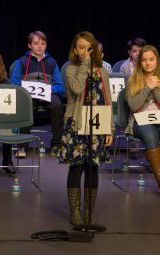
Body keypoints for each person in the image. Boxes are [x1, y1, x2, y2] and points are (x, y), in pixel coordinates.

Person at [60, 31, 113, 225]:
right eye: (80, 47)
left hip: (97, 124)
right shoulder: (71, 68)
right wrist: (84, 64)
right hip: (76, 123)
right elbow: (76, 88)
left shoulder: (103, 71)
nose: (84, 51)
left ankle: (89, 210)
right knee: (76, 167)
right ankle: (74, 211)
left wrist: (110, 129)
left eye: (88, 48)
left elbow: (108, 101)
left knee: (92, 168)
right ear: (75, 49)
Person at [125, 44, 160, 197]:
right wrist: (147, 87)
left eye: (151, 59)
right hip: (139, 119)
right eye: (144, 60)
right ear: (139, 62)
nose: (148, 63)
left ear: (157, 61)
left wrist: (155, 86)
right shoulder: (133, 80)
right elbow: (133, 106)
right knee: (151, 136)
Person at [10, 31, 65, 158]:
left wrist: (50, 89)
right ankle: (22, 145)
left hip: (48, 94)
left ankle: (56, 145)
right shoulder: (22, 62)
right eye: (36, 43)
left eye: (43, 43)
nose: (40, 46)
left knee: (57, 104)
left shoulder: (52, 62)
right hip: (29, 95)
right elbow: (14, 84)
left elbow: (60, 87)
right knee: (27, 104)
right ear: (30, 45)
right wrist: (25, 90)